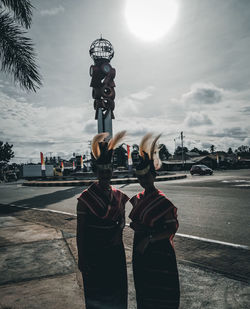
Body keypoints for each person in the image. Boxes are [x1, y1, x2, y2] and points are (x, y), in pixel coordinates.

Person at [76, 131, 129, 309]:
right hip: (94, 252)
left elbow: (122, 220)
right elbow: (80, 231)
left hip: (115, 251)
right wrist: (81, 256)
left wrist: (118, 232)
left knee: (117, 290)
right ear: (96, 172)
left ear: (112, 171)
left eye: (108, 171)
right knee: (97, 292)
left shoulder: (118, 196)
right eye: (102, 171)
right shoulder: (85, 198)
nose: (105, 175)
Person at [129, 133, 180, 309]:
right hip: (141, 254)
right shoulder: (137, 198)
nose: (144, 181)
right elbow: (135, 224)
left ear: (154, 176)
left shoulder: (163, 201)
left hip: (159, 254)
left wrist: (149, 239)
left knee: (162, 293)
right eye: (140, 178)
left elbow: (171, 229)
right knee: (144, 292)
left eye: (147, 176)